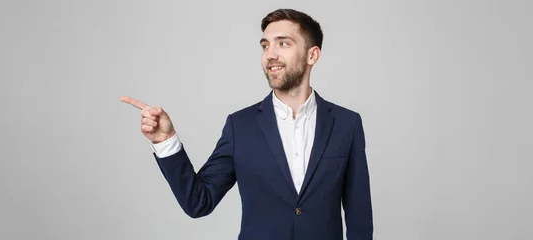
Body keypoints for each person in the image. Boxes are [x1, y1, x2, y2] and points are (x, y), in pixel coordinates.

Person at [121, 8, 373, 240]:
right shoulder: (240, 126)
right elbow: (199, 202)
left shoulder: (346, 123)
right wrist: (165, 141)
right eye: (265, 46)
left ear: (312, 55)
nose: (270, 54)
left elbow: (359, 217)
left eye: (283, 43)